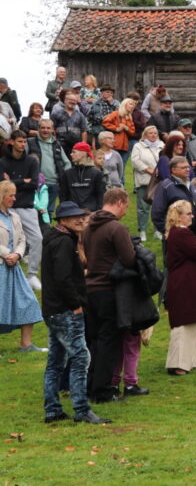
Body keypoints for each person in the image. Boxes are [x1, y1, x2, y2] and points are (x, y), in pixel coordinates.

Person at [42, 201, 111, 423]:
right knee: (80, 357)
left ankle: (52, 409)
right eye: (74, 217)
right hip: (64, 310)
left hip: (53, 310)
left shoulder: (58, 238)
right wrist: (75, 304)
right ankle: (81, 410)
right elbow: (63, 278)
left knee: (55, 360)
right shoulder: (62, 242)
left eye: (82, 216)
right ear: (63, 220)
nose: (80, 219)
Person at [81, 188, 134, 401]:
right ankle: (102, 390)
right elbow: (129, 259)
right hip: (108, 289)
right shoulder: (115, 228)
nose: (125, 211)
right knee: (108, 341)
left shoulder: (88, 227)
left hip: (90, 289)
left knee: (93, 340)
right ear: (120, 202)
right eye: (126, 206)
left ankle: (90, 384)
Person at [164, 199, 196, 375]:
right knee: (183, 324)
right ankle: (178, 363)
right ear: (179, 216)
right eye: (188, 213)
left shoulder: (180, 233)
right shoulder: (180, 233)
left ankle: (188, 361)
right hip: (184, 285)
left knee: (191, 322)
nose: (192, 216)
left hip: (188, 283)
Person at [0, 180, 45, 352]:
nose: (14, 198)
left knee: (29, 301)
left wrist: (18, 254)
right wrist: (7, 254)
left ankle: (26, 345)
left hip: (13, 267)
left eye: (14, 194)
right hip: (2, 264)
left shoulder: (15, 216)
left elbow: (22, 239)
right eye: (10, 195)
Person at [0, 131, 44, 291]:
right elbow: (2, 185)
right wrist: (21, 181)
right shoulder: (3, 162)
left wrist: (12, 181)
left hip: (26, 206)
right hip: (6, 208)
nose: (23, 144)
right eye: (20, 141)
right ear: (12, 142)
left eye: (25, 141)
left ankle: (32, 275)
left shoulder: (32, 161)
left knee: (38, 239)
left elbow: (33, 184)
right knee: (7, 242)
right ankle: (7, 275)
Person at [27, 119, 68, 219]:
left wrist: (63, 177)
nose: (46, 130)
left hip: (54, 183)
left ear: (53, 130)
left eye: (48, 128)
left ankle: (46, 233)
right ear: (38, 129)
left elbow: (67, 162)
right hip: (37, 183)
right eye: (43, 127)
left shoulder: (57, 144)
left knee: (49, 211)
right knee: (35, 210)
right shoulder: (30, 142)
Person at [130, 126, 162, 242]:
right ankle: (142, 231)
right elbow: (135, 161)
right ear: (145, 135)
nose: (153, 135)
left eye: (155, 133)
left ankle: (157, 231)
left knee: (158, 207)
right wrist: (149, 170)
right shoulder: (138, 146)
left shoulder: (162, 145)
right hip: (144, 180)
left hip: (159, 181)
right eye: (150, 133)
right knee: (143, 208)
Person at [60, 141, 105, 212]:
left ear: (83, 154)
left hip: (90, 215)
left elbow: (100, 196)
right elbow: (63, 196)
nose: (71, 154)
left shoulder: (97, 173)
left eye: (74, 152)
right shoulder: (67, 173)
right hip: (71, 213)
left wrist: (98, 213)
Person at [101, 96, 136, 164]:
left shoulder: (129, 117)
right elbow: (105, 122)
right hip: (114, 145)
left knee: (122, 168)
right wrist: (116, 128)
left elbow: (132, 132)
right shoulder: (115, 113)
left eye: (133, 105)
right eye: (130, 104)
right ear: (124, 104)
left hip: (125, 147)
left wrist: (126, 128)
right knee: (112, 166)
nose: (132, 106)